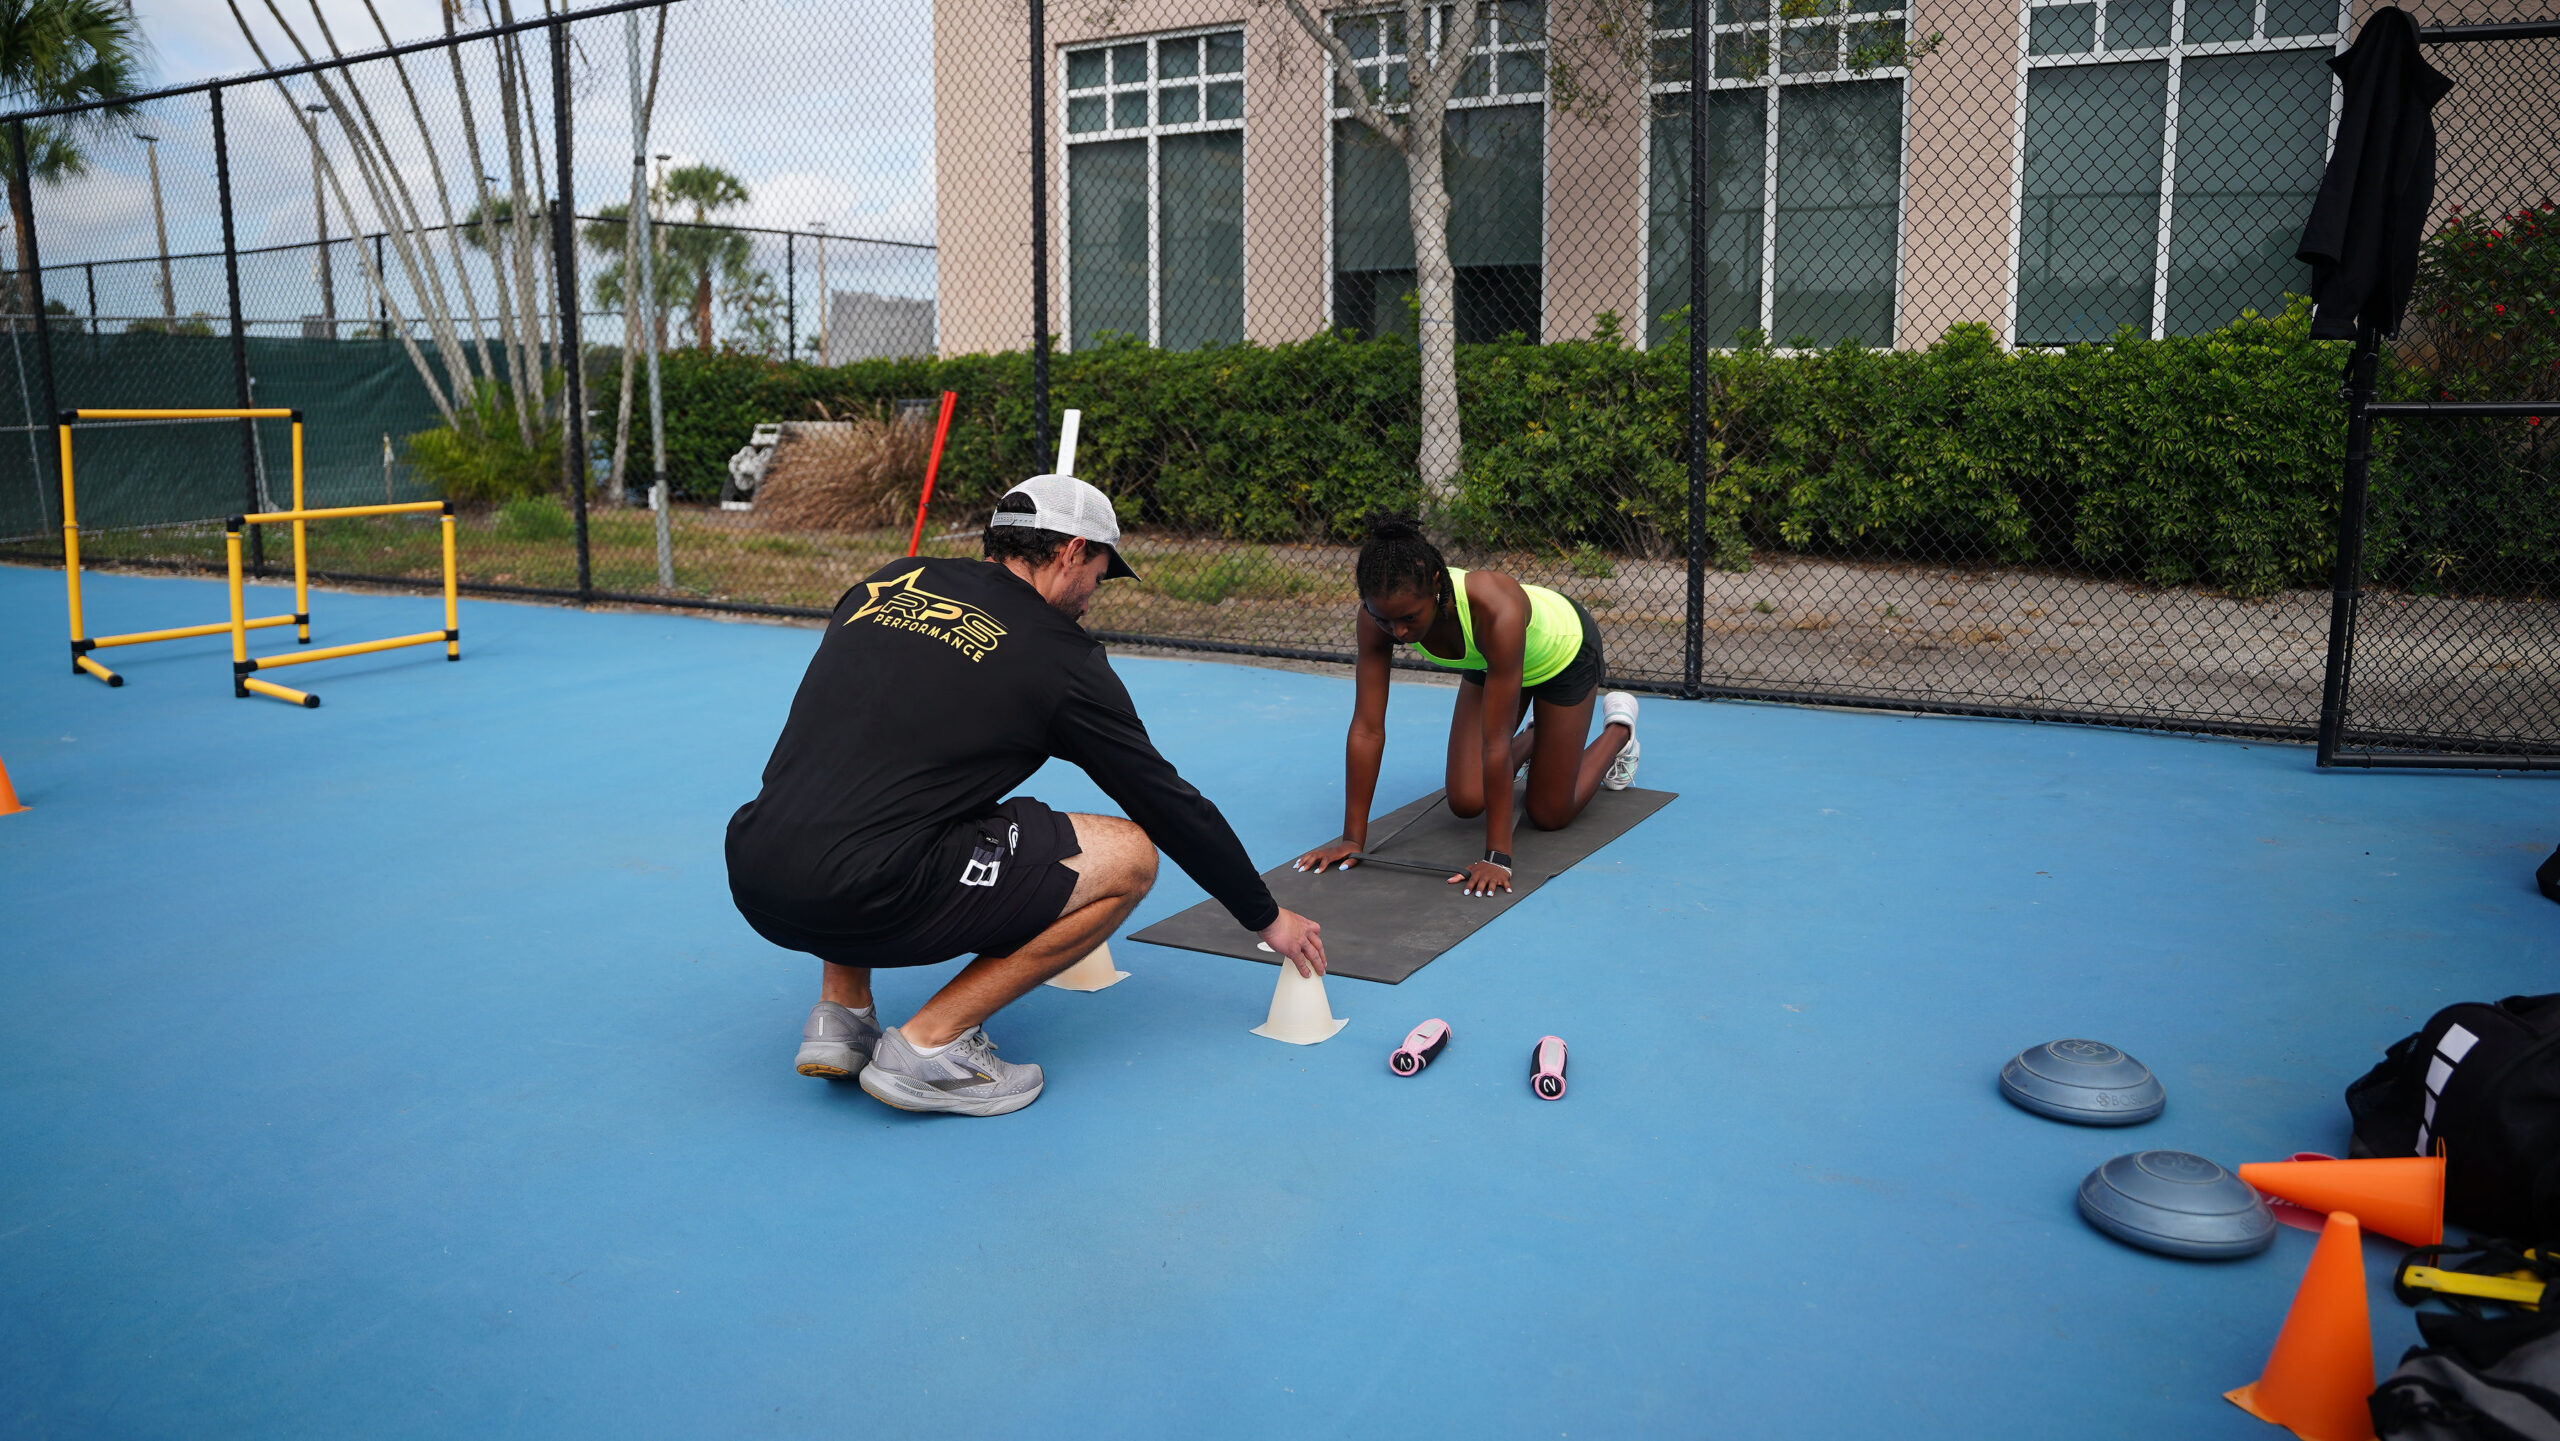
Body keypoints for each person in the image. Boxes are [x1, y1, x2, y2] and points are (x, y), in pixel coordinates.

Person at [725, 473, 1326, 1118]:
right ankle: (932, 1045)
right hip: (870, 893)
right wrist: (1267, 917)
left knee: (876, 784)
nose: (1096, 594)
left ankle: (841, 1016)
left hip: (758, 870)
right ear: (1071, 552)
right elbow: (1166, 803)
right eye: (1100, 570)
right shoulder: (1059, 657)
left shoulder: (890, 581)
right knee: (1129, 857)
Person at [1295, 515, 1640, 897]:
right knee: (1464, 800)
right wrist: (1351, 839)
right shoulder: (1377, 619)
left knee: (1548, 814)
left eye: (1410, 618)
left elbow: (1495, 742)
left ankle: (1619, 732)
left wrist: (1497, 857)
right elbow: (1366, 727)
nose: (1400, 633)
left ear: (1436, 587)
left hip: (1563, 654)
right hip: (1489, 662)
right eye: (1385, 620)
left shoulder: (1493, 609)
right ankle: (1541, 733)